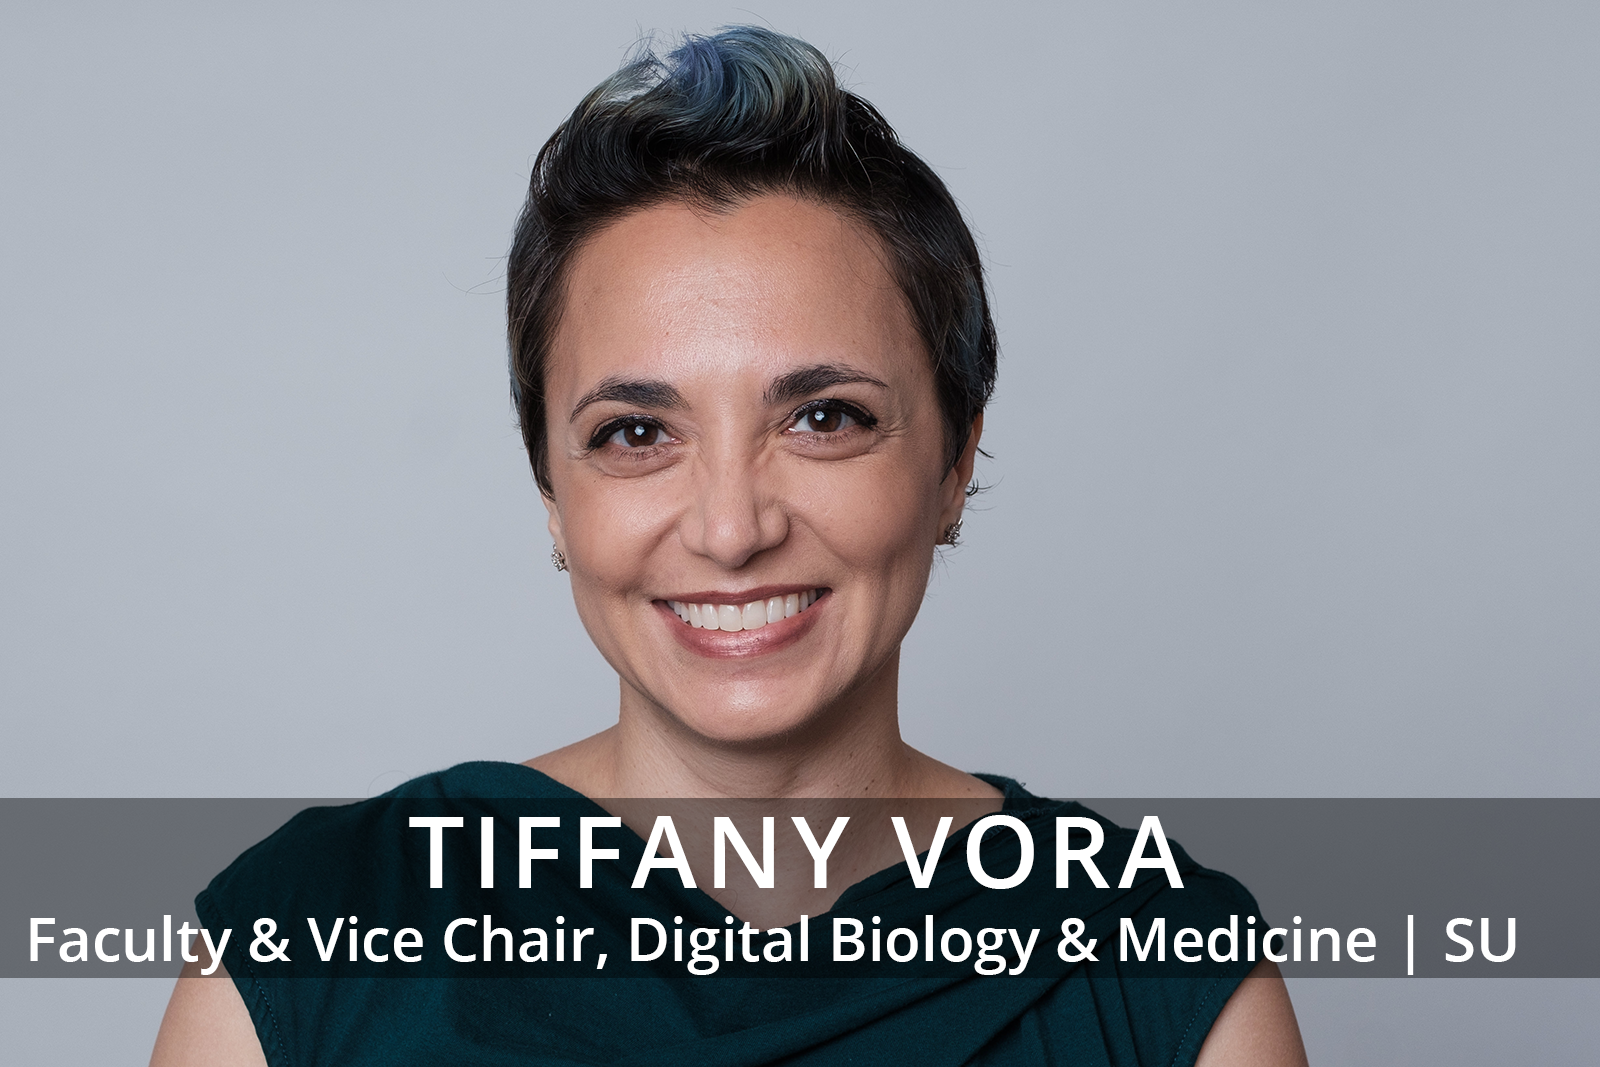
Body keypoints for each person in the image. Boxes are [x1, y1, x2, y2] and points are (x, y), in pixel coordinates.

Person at [152, 27, 1307, 1066]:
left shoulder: (1165, 978)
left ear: (954, 461)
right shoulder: (303, 945)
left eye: (823, 418)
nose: (730, 527)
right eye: (635, 432)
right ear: (551, 489)